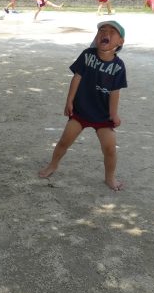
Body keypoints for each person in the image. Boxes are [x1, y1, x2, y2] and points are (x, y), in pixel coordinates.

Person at [38, 20, 127, 191]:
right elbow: (77, 78)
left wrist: (113, 114)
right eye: (102, 30)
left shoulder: (119, 66)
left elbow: (115, 92)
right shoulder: (87, 55)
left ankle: (110, 177)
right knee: (64, 141)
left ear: (120, 42)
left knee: (110, 149)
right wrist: (69, 101)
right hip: (81, 111)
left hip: (103, 116)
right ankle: (52, 165)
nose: (105, 33)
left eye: (111, 32)